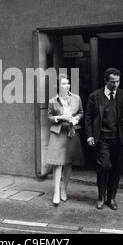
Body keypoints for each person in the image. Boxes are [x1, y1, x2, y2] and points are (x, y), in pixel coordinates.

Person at [85, 68, 123, 210]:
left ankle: (111, 198)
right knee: (103, 166)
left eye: (118, 81)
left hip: (119, 139)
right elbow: (88, 118)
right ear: (105, 81)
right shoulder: (95, 96)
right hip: (102, 138)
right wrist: (89, 135)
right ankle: (101, 197)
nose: (115, 84)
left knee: (116, 170)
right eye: (112, 82)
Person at [46, 74, 84, 206]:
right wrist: (60, 117)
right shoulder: (53, 100)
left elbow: (81, 112)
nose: (66, 85)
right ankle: (56, 192)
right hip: (58, 133)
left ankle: (64, 189)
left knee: (68, 162)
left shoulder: (76, 98)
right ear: (58, 86)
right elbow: (49, 116)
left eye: (68, 83)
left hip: (71, 132)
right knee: (58, 163)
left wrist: (76, 119)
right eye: (63, 84)